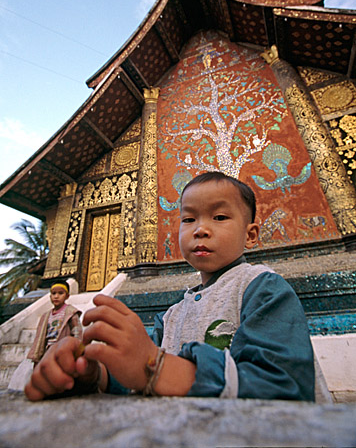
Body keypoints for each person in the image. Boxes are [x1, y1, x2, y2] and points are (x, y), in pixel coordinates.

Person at [25, 172, 315, 401]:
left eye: (220, 217)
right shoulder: (172, 315)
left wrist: (158, 366)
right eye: (188, 219)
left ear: (251, 235)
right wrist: (92, 373)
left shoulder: (263, 289)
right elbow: (141, 379)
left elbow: (284, 385)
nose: (200, 228)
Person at [27, 280, 83, 365]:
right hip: (48, 351)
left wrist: (77, 352)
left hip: (63, 351)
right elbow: (40, 337)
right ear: (50, 296)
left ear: (67, 296)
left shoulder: (70, 313)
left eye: (60, 293)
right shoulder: (45, 316)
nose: (56, 296)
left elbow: (77, 333)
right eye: (54, 293)